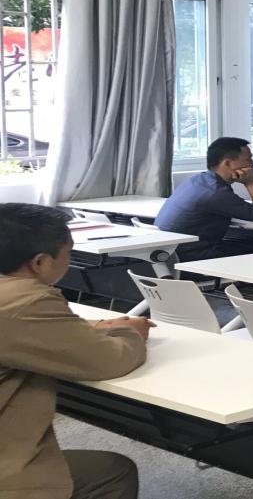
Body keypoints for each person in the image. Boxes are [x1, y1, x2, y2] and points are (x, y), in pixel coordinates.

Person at [0, 203, 154, 499]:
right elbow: (110, 360)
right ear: (40, 262)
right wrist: (130, 331)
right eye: (68, 253)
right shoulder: (26, 299)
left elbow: (31, 330)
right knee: (112, 473)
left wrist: (95, 327)